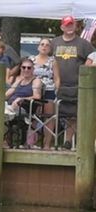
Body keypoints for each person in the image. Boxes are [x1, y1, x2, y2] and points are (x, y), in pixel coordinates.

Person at [51, 15, 94, 148]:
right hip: (58, 85)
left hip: (78, 85)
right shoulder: (54, 42)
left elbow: (93, 56)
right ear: (62, 27)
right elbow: (47, 59)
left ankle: (70, 141)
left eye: (72, 24)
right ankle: (53, 142)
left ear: (75, 26)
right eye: (67, 25)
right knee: (58, 114)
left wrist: (87, 66)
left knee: (75, 115)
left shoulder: (83, 44)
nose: (69, 27)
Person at [6, 58, 42, 148]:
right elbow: (7, 94)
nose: (26, 70)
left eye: (29, 68)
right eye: (24, 67)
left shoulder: (36, 81)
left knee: (3, 113)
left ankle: (5, 141)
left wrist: (21, 99)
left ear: (33, 69)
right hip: (11, 106)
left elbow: (37, 96)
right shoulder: (19, 80)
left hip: (24, 108)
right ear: (20, 68)